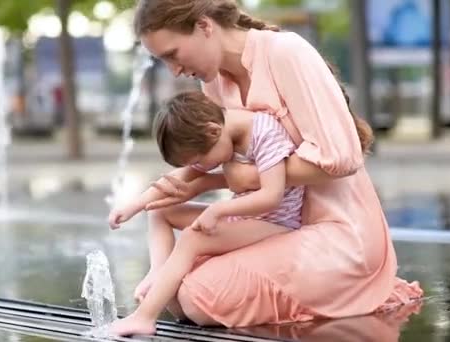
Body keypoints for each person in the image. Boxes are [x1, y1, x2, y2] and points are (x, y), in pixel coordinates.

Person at [111, 0, 423, 333]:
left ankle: (350, 287)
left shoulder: (285, 53)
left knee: (195, 296)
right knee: (173, 286)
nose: (174, 70)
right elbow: (209, 162)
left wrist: (242, 177)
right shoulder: (215, 81)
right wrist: (150, 199)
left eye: (173, 54)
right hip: (266, 220)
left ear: (204, 26)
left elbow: (343, 158)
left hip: (335, 232)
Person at [108, 91, 305, 335]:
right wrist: (135, 205)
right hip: (243, 216)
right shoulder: (218, 136)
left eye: (201, 160)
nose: (202, 168)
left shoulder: (265, 134)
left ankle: (145, 317)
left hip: (274, 221)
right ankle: (158, 271)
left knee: (194, 237)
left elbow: (271, 196)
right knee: (160, 211)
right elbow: (178, 179)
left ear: (213, 131)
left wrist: (219, 209)